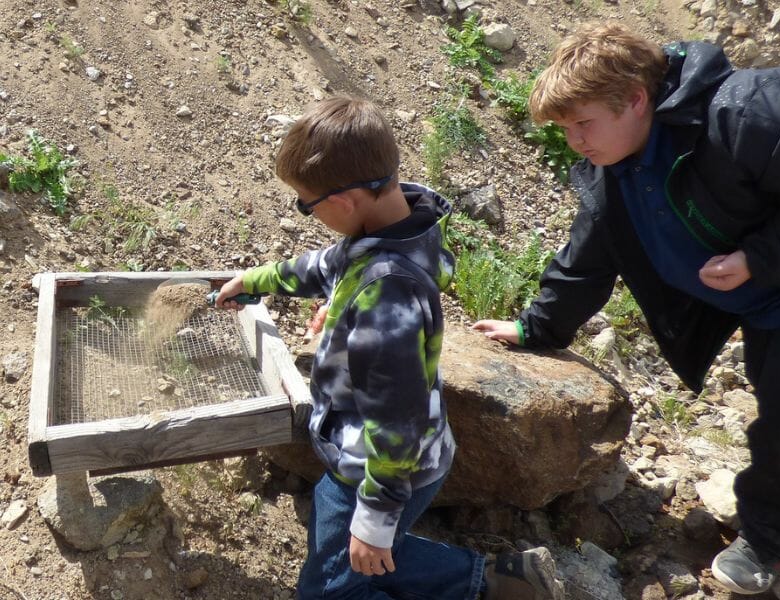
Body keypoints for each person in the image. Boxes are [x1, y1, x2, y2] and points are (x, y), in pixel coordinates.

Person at [472, 22, 780, 595]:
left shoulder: (748, 110)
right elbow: (589, 257)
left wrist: (759, 257)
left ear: (636, 100)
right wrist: (536, 326)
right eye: (564, 127)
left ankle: (771, 541)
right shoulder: (618, 168)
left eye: (583, 123)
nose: (573, 139)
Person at [214, 96, 564, 600]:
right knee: (353, 555)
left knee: (332, 588)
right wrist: (255, 280)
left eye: (305, 203)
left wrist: (375, 517)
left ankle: (481, 583)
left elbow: (397, 419)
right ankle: (500, 580)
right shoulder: (399, 231)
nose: (307, 215)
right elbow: (323, 266)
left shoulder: (387, 294)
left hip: (378, 465)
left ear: (344, 201)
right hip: (383, 458)